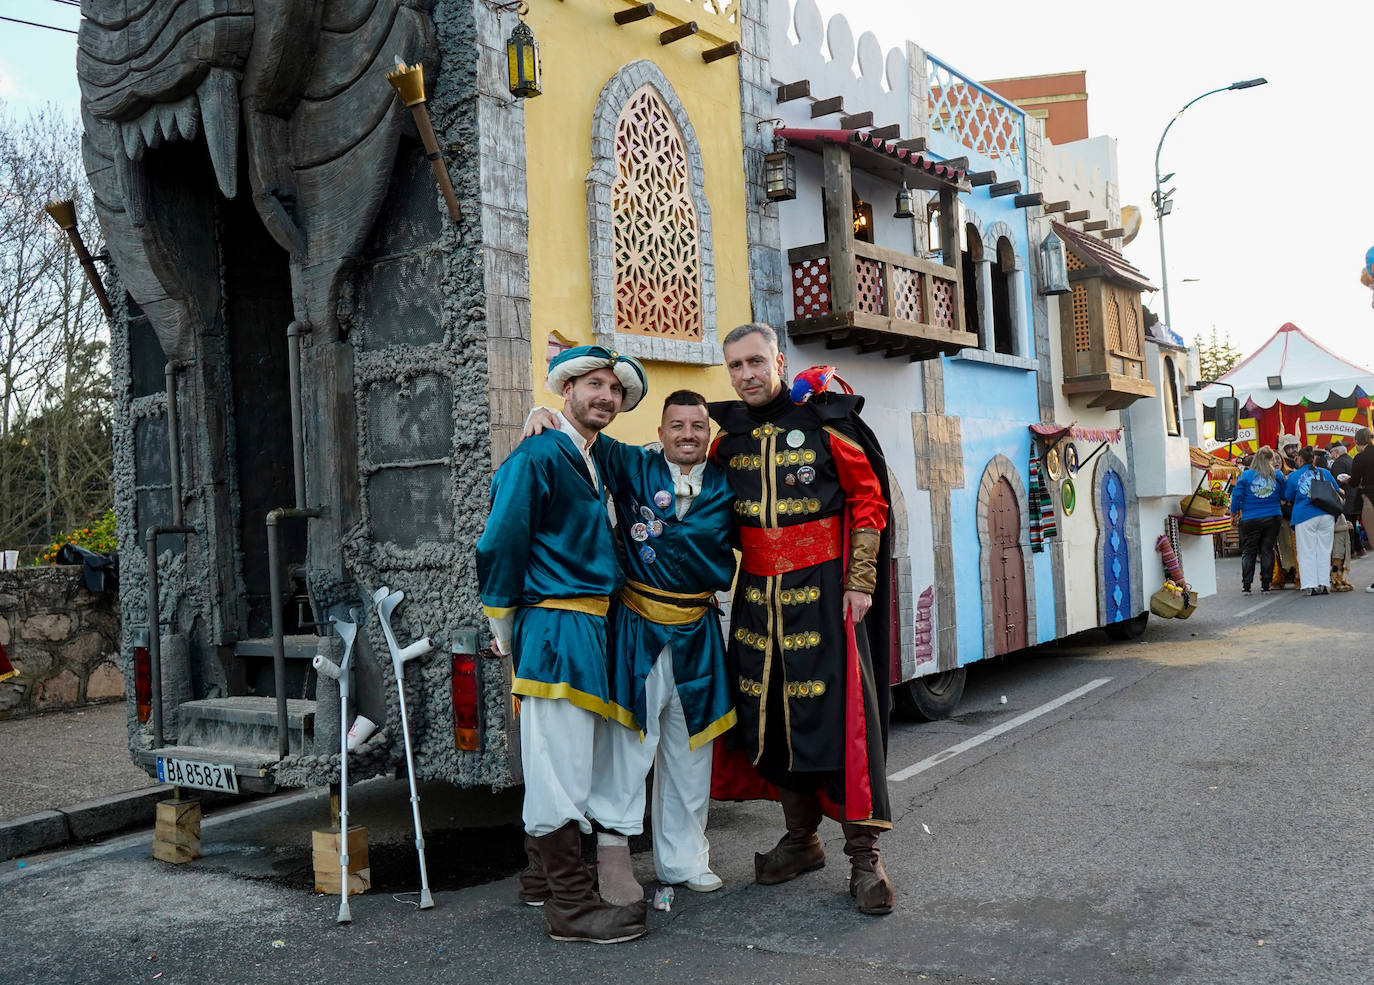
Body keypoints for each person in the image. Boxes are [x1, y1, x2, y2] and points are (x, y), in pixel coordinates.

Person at [707, 322, 896, 916]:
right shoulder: (725, 440)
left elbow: (868, 501)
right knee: (770, 720)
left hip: (826, 593)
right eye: (735, 366)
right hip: (756, 600)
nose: (746, 375)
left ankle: (864, 861)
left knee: (840, 720)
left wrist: (860, 584)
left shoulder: (825, 421)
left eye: (756, 362)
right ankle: (801, 839)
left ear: (779, 362)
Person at [524, 390, 738, 901]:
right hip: (637, 628)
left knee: (692, 751)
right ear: (660, 431)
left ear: (709, 435)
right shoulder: (631, 464)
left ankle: (684, 859)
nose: (688, 434)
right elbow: (583, 434)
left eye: (698, 426)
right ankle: (612, 855)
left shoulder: (731, 485)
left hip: (699, 633)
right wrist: (540, 411)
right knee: (628, 747)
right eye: (677, 425)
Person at [476, 344, 649, 944]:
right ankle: (571, 907)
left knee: (564, 754)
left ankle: (539, 881)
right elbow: (500, 543)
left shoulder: (591, 454)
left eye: (614, 389)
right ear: (566, 390)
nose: (605, 395)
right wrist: (504, 627)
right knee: (559, 764)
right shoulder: (542, 452)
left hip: (586, 625)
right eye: (592, 384)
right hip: (555, 626)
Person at [1283, 445, 1339, 596]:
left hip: (1305, 515)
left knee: (1307, 551)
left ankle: (1310, 585)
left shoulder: (1294, 476)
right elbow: (1336, 490)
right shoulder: (1325, 473)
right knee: (1324, 550)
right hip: (1326, 514)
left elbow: (1288, 496)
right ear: (1314, 459)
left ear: (1300, 459)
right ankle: (1324, 583)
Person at [1229, 446, 1284, 593]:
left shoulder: (1246, 476)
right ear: (1271, 459)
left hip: (1250, 518)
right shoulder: (1277, 475)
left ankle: (1246, 585)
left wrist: (1233, 513)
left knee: (1249, 551)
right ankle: (1266, 584)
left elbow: (1236, 496)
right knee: (1267, 549)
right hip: (1273, 516)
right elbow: (1285, 494)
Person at [1344, 427, 1374, 585]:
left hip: (1370, 499)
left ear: (1356, 442)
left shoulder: (1360, 458)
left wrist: (1347, 480)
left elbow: (1354, 481)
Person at [1329, 440, 1363, 559]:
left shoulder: (1338, 463)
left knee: (1347, 525)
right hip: (1356, 497)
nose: (1331, 456)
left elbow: (1339, 483)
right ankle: (1359, 549)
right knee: (1353, 523)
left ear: (1337, 452)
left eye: (1332, 453)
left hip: (1347, 499)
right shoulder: (1351, 460)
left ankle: (1352, 550)